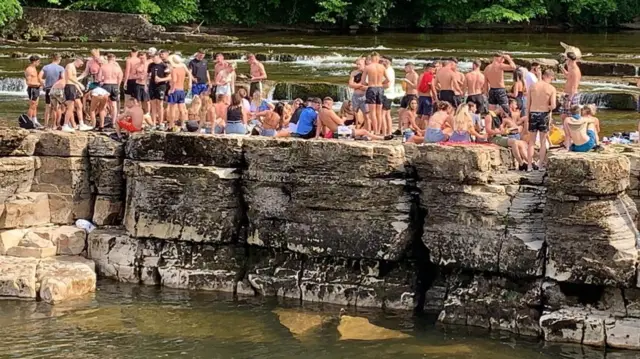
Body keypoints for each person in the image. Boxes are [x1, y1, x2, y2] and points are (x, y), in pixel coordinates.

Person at [317, 97, 394, 140]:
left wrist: (317, 137)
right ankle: (382, 138)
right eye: (331, 104)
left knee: (358, 134)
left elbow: (320, 126)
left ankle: (370, 138)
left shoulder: (320, 112)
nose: (332, 106)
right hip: (340, 132)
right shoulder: (329, 111)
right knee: (364, 131)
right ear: (328, 104)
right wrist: (344, 119)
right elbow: (340, 122)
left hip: (335, 134)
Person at [526, 69, 556, 171]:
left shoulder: (533, 86)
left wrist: (527, 118)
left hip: (533, 113)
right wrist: (547, 107)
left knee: (531, 142)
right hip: (544, 115)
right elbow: (553, 105)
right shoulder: (551, 88)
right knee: (543, 142)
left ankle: (529, 166)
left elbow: (528, 104)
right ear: (550, 77)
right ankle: (540, 166)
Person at [484, 104, 528, 170]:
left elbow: (500, 129)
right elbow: (488, 130)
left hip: (500, 136)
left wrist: (506, 130)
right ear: (501, 109)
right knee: (514, 142)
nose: (504, 116)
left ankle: (529, 162)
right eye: (504, 114)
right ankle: (521, 163)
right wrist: (499, 132)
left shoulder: (499, 118)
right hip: (493, 138)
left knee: (521, 143)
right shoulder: (489, 116)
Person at [362, 52, 388, 134]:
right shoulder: (382, 67)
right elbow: (388, 80)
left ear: (371, 58)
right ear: (377, 58)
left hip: (372, 88)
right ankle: (378, 131)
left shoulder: (368, 67)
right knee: (379, 112)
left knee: (372, 112)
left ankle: (375, 130)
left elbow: (362, 81)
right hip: (380, 88)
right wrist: (381, 83)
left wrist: (368, 84)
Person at [63, 58, 91, 132]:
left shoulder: (74, 68)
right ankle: (65, 125)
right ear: (77, 60)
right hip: (69, 87)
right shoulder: (69, 66)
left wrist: (79, 90)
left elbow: (74, 80)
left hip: (73, 87)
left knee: (79, 105)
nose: (81, 65)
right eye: (81, 64)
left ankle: (81, 124)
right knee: (70, 107)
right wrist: (79, 83)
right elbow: (69, 77)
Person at [97, 53, 123, 128]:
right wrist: (118, 85)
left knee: (103, 105)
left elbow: (99, 78)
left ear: (107, 59)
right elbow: (120, 77)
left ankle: (102, 123)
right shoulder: (117, 67)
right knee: (114, 105)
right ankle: (113, 122)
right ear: (114, 59)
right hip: (114, 85)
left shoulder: (103, 66)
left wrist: (102, 81)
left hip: (106, 85)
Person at [167, 54, 191, 131]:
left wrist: (171, 89)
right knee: (182, 109)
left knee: (172, 109)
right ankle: (182, 125)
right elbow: (189, 74)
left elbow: (174, 80)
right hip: (181, 90)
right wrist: (190, 82)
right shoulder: (183, 69)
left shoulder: (174, 70)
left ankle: (171, 126)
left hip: (175, 90)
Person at [40, 53, 64, 128]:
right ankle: (54, 125)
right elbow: (63, 78)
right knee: (56, 108)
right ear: (59, 59)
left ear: (52, 58)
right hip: (57, 89)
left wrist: (43, 84)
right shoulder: (61, 68)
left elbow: (39, 77)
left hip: (48, 89)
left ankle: (45, 125)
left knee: (48, 107)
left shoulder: (46, 67)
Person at [147, 51, 170, 129]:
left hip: (161, 86)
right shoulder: (151, 65)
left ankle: (160, 123)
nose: (152, 59)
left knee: (160, 105)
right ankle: (153, 123)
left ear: (158, 57)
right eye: (151, 57)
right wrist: (148, 79)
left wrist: (160, 79)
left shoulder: (164, 65)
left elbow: (169, 77)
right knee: (153, 104)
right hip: (152, 86)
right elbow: (148, 75)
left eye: (153, 57)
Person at [560, 52, 582, 128]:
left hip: (572, 96)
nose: (565, 61)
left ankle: (572, 134)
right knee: (563, 115)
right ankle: (565, 132)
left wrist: (569, 100)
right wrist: (562, 68)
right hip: (567, 94)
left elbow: (574, 86)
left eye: (566, 59)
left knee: (572, 117)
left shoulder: (575, 70)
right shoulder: (570, 67)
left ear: (570, 60)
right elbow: (568, 76)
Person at [349, 58, 368, 130]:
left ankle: (366, 129)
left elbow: (369, 86)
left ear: (364, 64)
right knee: (356, 113)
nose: (357, 66)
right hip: (355, 95)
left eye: (359, 64)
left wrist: (356, 85)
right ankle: (357, 128)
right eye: (356, 64)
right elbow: (350, 84)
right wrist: (360, 86)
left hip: (365, 95)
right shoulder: (354, 72)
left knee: (366, 115)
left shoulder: (367, 72)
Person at [399, 62, 419, 131]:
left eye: (406, 67)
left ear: (411, 67)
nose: (405, 69)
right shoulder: (407, 74)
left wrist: (408, 82)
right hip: (406, 94)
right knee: (401, 111)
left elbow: (416, 86)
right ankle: (399, 128)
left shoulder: (415, 75)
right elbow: (406, 85)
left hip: (412, 95)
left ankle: (412, 127)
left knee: (411, 113)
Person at [416, 63, 436, 130]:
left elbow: (417, 86)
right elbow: (432, 87)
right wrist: (436, 97)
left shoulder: (420, 75)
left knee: (419, 115)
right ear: (430, 69)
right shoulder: (430, 76)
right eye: (434, 70)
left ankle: (416, 129)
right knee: (426, 116)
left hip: (420, 97)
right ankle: (425, 131)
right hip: (427, 97)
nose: (434, 72)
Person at [24, 55, 42, 128]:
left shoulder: (34, 68)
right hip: (32, 89)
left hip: (36, 88)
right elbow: (28, 82)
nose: (39, 63)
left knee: (35, 105)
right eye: (38, 61)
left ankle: (35, 120)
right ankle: (28, 121)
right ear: (34, 61)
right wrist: (38, 84)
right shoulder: (29, 70)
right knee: (32, 105)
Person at [381, 56, 395, 136]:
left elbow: (388, 84)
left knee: (383, 114)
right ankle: (389, 132)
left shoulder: (388, 71)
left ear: (389, 62)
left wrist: (377, 85)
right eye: (383, 61)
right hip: (389, 94)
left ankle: (384, 133)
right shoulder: (389, 70)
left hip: (386, 94)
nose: (383, 62)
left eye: (385, 61)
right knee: (387, 114)